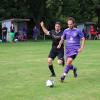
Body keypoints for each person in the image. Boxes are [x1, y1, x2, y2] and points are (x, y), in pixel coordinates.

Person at [57, 17, 85, 82]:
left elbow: (83, 39)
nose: (69, 25)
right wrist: (59, 44)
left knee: (69, 61)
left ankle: (63, 76)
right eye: (68, 24)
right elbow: (62, 39)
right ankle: (74, 69)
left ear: (74, 24)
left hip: (75, 50)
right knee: (68, 63)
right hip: (67, 50)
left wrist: (81, 48)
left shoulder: (78, 31)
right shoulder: (65, 31)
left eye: (71, 24)